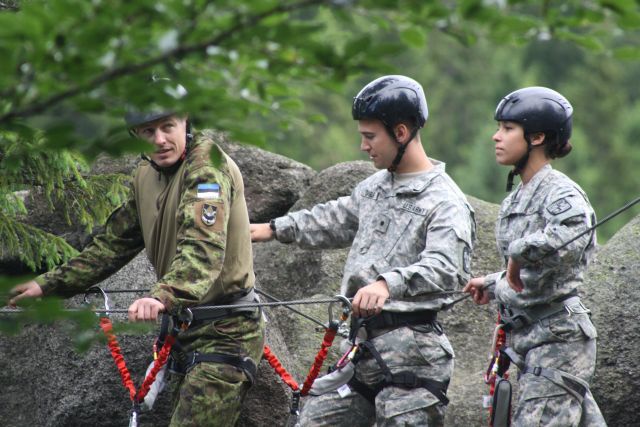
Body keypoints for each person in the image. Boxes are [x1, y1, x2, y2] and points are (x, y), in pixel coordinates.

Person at [8, 77, 264, 426]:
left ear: (186, 120)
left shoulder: (207, 170)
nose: (159, 140)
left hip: (227, 330)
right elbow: (113, 244)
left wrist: (162, 295)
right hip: (184, 329)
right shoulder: (146, 171)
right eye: (147, 131)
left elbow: (202, 251)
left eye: (167, 127)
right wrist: (48, 285)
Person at [251, 75, 476, 426]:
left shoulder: (446, 202)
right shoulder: (374, 188)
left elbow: (447, 268)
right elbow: (334, 218)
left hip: (413, 360)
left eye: (370, 136)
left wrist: (386, 284)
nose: (363, 146)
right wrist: (270, 229)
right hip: (358, 353)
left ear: (401, 133)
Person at [463, 86, 606, 426]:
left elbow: (568, 241)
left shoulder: (562, 193)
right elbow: (527, 278)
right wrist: (492, 282)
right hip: (530, 341)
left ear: (538, 136)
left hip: (558, 339)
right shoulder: (516, 197)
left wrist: (517, 252)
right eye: (498, 127)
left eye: (507, 129)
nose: (495, 137)